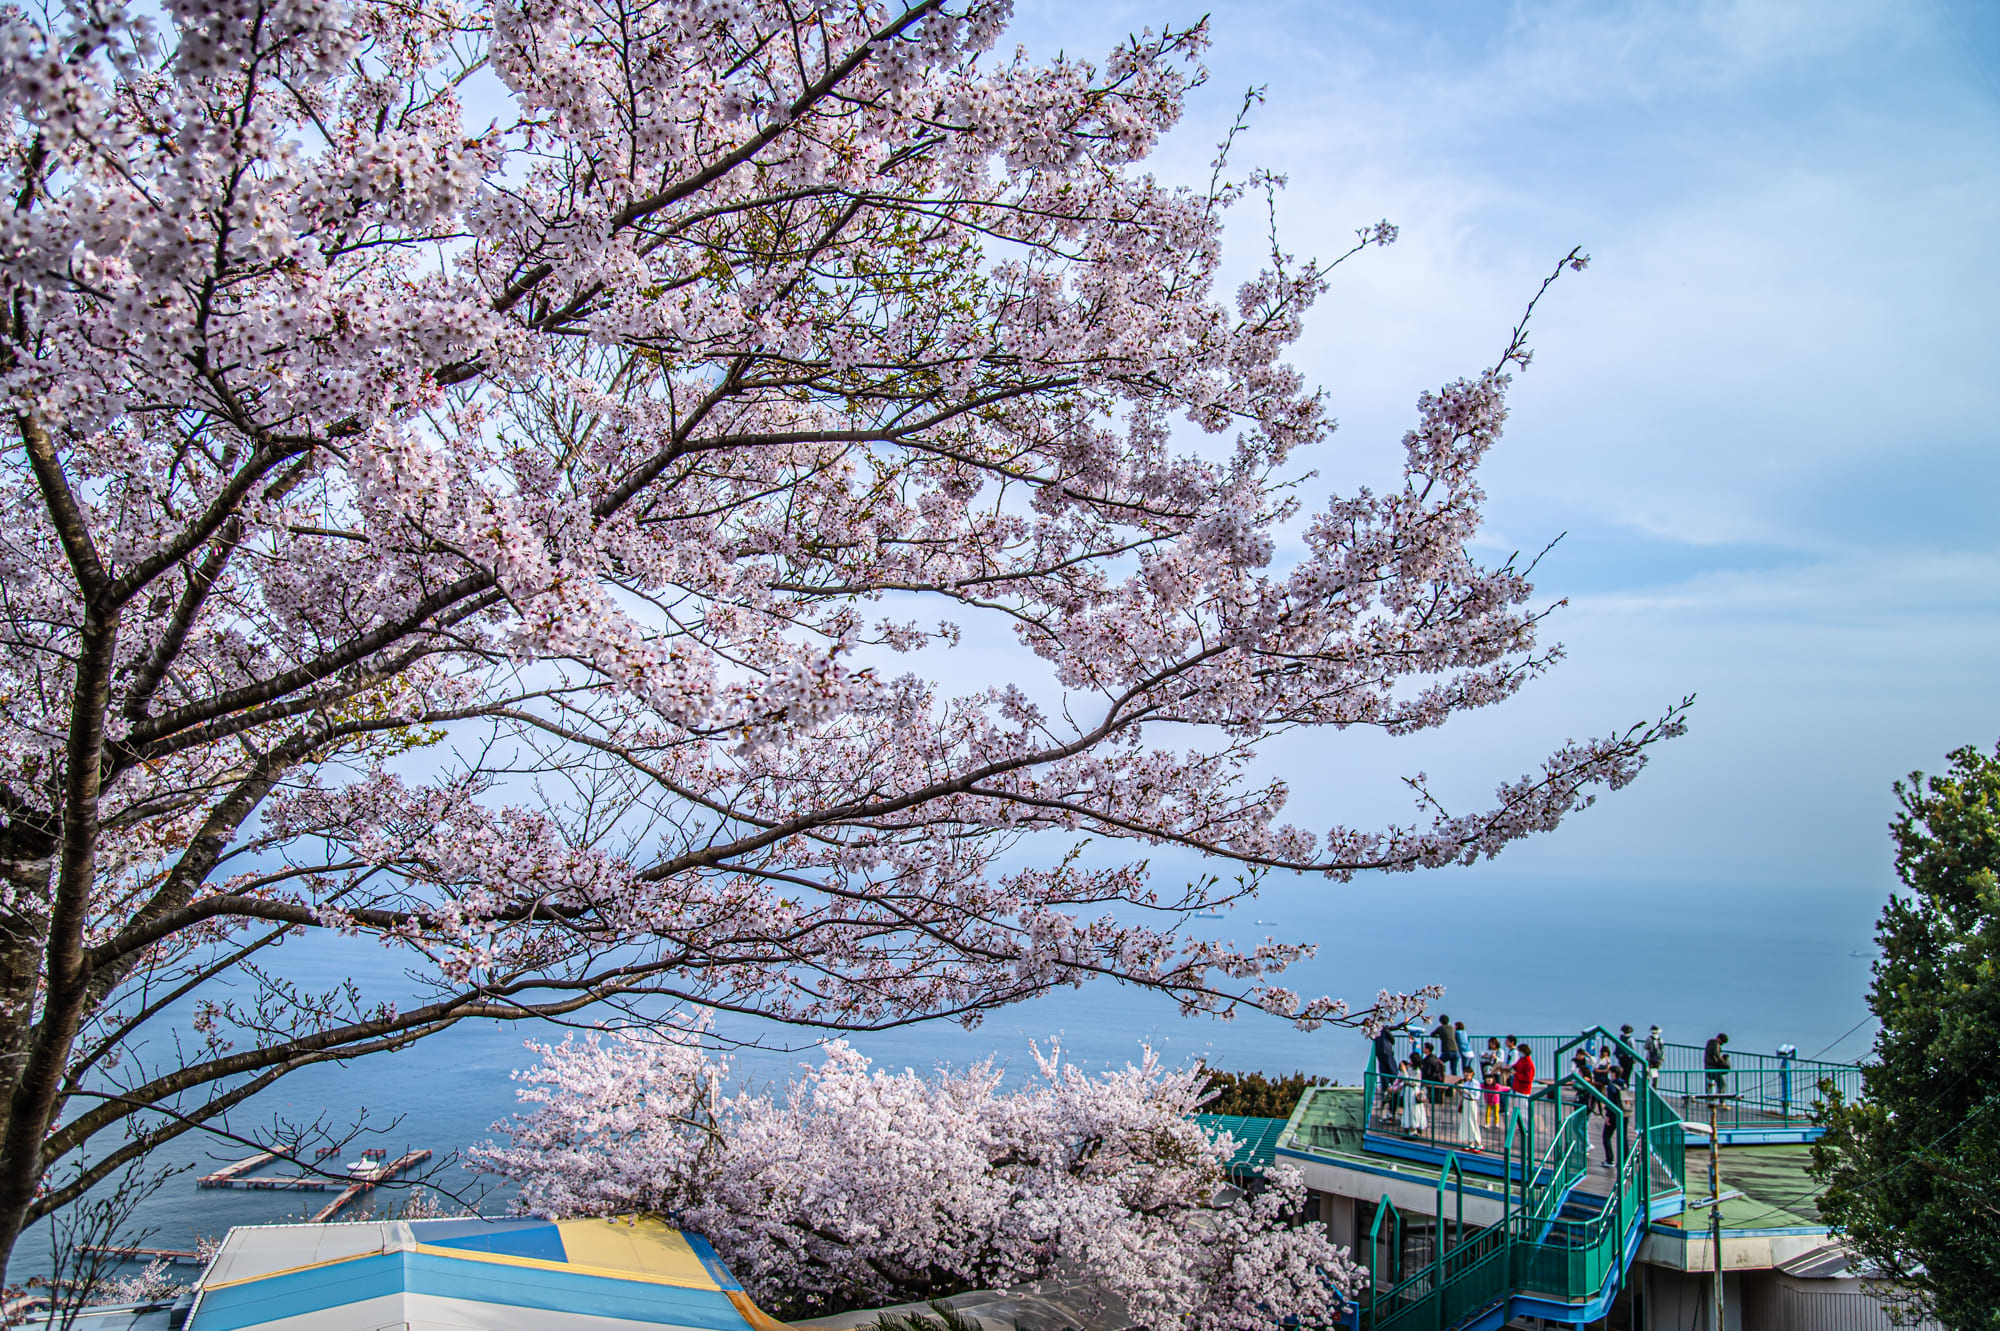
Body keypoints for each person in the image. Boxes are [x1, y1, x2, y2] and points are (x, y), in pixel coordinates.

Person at [1398, 1060, 1428, 1134]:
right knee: (1408, 1110)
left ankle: (1414, 1128)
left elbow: (1410, 1081)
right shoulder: (1410, 1069)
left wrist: (1404, 1072)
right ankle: (1409, 1127)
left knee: (1414, 1110)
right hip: (1408, 1092)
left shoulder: (1417, 1071)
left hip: (1413, 1091)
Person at [1456, 1070, 1483, 1151]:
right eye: (1465, 1075)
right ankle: (1470, 1142)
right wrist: (1459, 1089)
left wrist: (1465, 1090)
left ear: (1471, 1074)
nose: (1466, 1076)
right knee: (1466, 1122)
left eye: (1467, 1075)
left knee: (1472, 1121)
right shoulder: (1465, 1082)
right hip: (1466, 1101)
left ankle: (1478, 1143)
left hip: (1472, 1102)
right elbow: (1462, 1094)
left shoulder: (1475, 1083)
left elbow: (1476, 1096)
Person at [1482, 1063, 1504, 1129]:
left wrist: (1509, 1088)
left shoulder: (1496, 1086)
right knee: (1487, 1113)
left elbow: (1502, 1088)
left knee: (1496, 1113)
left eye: (1490, 1079)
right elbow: (1479, 1086)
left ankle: (1496, 1123)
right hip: (1488, 1101)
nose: (1488, 1080)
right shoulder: (1484, 1086)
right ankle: (1487, 1123)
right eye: (1487, 1079)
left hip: (1496, 1102)